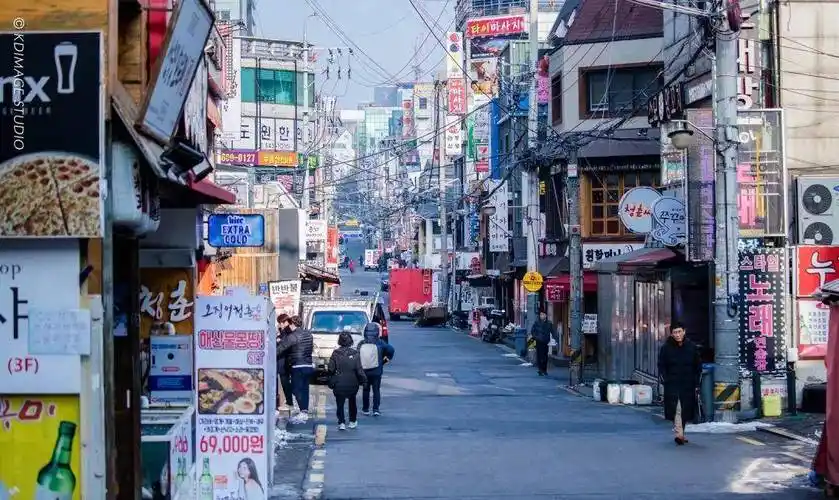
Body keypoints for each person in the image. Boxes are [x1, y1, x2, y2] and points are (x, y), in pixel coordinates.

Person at [658, 323, 701, 445]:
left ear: (684, 331)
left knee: (686, 409)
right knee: (676, 408)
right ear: (671, 334)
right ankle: (679, 434)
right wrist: (665, 379)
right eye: (675, 332)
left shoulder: (691, 347)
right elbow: (661, 365)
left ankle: (681, 431)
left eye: (679, 332)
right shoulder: (666, 348)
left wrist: (697, 382)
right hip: (672, 383)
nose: (677, 335)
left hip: (688, 383)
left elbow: (698, 366)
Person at [276, 315, 314, 424]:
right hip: (308, 364)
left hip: (298, 365)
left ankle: (303, 412)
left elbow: (281, 348)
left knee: (295, 389)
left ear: (292, 324)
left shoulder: (293, 336)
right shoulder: (308, 334)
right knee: (305, 390)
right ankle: (304, 411)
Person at [327, 332, 367, 430]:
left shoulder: (335, 353)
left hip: (339, 383)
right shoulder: (355, 354)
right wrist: (364, 381)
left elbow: (331, 369)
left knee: (339, 403)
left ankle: (341, 422)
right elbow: (359, 370)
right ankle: (352, 421)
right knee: (352, 401)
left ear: (340, 341)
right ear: (351, 341)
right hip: (353, 383)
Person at [357, 322, 395, 416]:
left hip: (364, 370)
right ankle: (376, 409)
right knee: (376, 390)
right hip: (377, 371)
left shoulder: (361, 343)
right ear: (377, 332)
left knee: (366, 390)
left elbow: (357, 355)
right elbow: (391, 350)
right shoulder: (380, 342)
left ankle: (365, 409)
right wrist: (385, 360)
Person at [275, 314, 294, 413]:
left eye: (280, 323)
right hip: (281, 360)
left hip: (284, 360)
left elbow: (284, 344)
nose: (279, 325)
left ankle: (290, 402)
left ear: (285, 322)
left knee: (285, 382)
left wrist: (278, 340)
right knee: (283, 381)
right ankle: (288, 402)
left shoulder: (288, 331)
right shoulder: (284, 331)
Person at [530, 310, 555, 376]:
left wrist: (555, 339)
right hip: (538, 341)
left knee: (545, 356)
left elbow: (553, 332)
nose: (542, 316)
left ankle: (544, 369)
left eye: (543, 315)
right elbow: (533, 331)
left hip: (546, 341)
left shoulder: (549, 323)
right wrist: (536, 337)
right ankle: (540, 369)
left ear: (545, 316)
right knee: (539, 355)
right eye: (541, 315)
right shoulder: (536, 323)